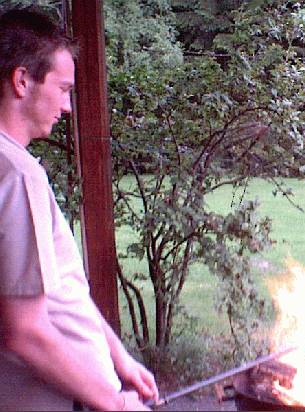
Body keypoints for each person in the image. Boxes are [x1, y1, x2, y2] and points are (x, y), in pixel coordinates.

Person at [0, 7, 159, 411]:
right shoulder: (17, 175)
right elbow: (24, 331)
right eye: (63, 88)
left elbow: (60, 286)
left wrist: (119, 358)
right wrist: (114, 403)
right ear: (22, 81)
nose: (68, 106)